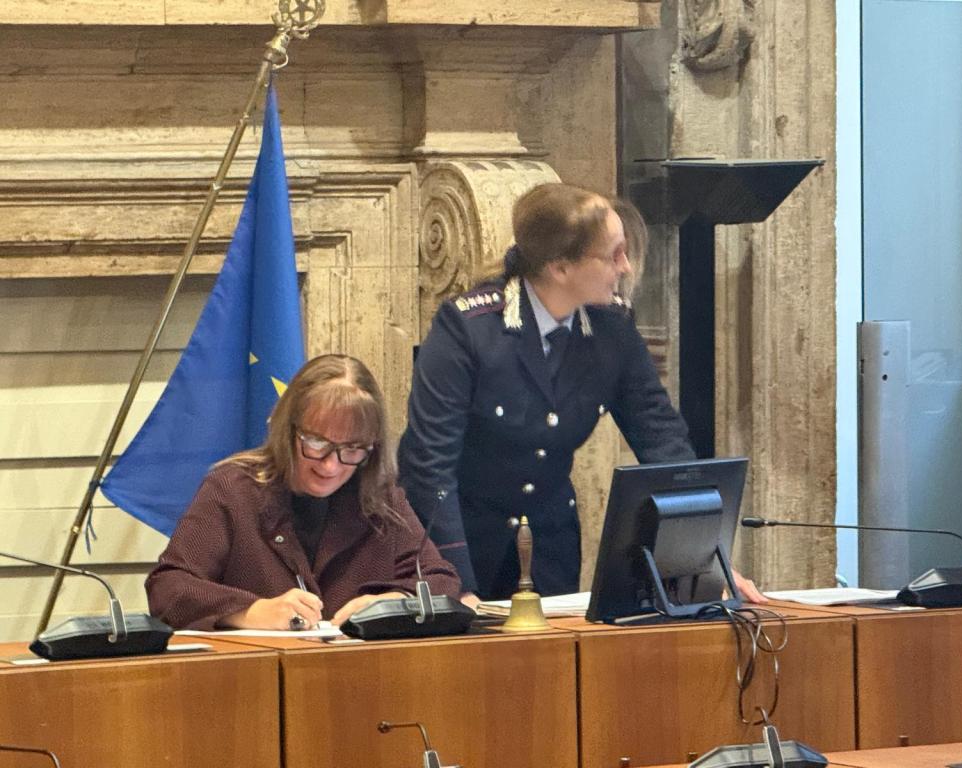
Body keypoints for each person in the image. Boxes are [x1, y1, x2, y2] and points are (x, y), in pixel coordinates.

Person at [398, 182, 764, 604]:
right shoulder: (469, 329)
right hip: (464, 541)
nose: (625, 267)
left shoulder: (612, 332)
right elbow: (428, 465)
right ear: (560, 268)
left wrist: (704, 559)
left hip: (550, 548)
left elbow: (664, 444)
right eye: (613, 255)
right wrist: (453, 581)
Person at [146, 354, 461, 631]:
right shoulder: (233, 490)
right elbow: (168, 589)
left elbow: (441, 579)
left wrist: (394, 603)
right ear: (288, 428)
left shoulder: (380, 497)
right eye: (316, 443)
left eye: (351, 449)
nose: (330, 466)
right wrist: (251, 611)